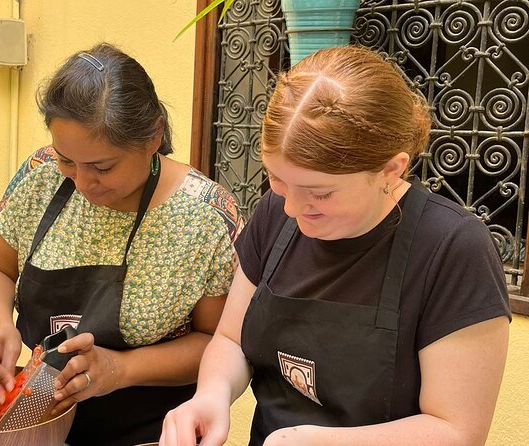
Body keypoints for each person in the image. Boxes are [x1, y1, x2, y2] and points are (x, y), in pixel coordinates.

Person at [159, 45, 511, 446]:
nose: (291, 207)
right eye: (276, 179)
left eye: (320, 193)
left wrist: (321, 441)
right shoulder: (278, 211)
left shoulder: (452, 246)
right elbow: (231, 339)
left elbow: (457, 430)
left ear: (390, 169)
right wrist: (211, 396)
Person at [0, 42, 243, 446]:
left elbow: (220, 343)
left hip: (156, 432)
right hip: (41, 417)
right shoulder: (41, 175)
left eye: (102, 167)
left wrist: (122, 368)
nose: (81, 182)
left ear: (153, 137)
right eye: (67, 160)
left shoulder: (203, 216)